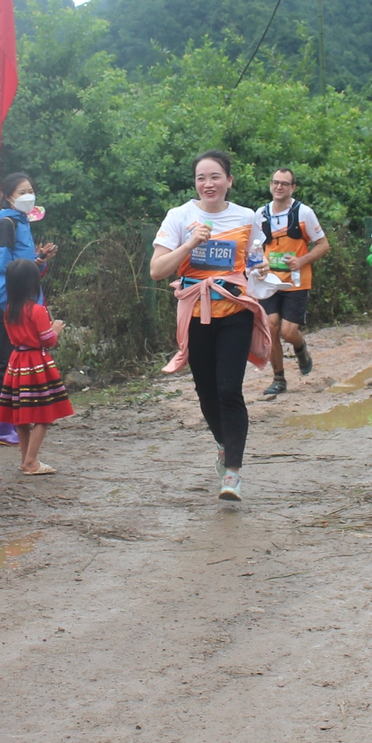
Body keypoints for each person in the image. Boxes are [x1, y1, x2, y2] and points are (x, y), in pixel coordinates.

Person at [151, 150, 269, 502]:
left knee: (229, 389)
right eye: (202, 177)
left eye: (215, 176)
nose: (208, 184)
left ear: (229, 180)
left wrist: (260, 268)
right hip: (195, 314)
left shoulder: (247, 217)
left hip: (236, 311)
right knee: (206, 391)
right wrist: (190, 243)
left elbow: (256, 259)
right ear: (195, 183)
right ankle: (223, 443)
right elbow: (157, 270)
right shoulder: (180, 216)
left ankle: (232, 472)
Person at [0, 176, 57, 447]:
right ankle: (3, 427)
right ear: (9, 196)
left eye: (31, 191)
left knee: (21, 368)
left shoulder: (22, 223)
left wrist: (38, 262)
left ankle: (17, 421)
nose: (28, 196)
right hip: (7, 311)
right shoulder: (5, 223)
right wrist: (12, 308)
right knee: (4, 367)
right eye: (22, 192)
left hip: (24, 306)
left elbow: (20, 269)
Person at [253, 167, 328, 397]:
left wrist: (301, 260)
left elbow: (323, 245)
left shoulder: (303, 213)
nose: (279, 187)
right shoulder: (261, 214)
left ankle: (300, 347)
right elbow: (255, 246)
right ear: (270, 185)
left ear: (292, 188)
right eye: (275, 182)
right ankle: (278, 378)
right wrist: (261, 262)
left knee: (288, 331)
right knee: (271, 325)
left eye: (284, 183)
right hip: (269, 281)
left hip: (296, 280)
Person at [0, 261, 72, 474]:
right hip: (36, 365)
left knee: (22, 413)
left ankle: (25, 459)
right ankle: (31, 462)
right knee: (42, 415)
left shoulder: (9, 311)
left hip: (17, 362)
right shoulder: (37, 310)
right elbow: (47, 340)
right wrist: (55, 329)